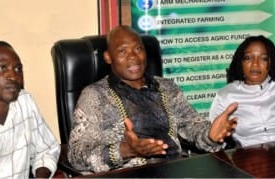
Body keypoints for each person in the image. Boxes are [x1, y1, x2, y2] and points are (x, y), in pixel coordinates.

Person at [68, 25, 238, 174]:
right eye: (122, 51)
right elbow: (77, 154)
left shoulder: (166, 87)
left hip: (176, 170)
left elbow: (190, 124)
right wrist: (125, 150)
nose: (133, 56)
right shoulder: (95, 95)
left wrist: (210, 135)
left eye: (138, 49)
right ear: (107, 57)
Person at [0, 41, 60, 178]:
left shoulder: (24, 101)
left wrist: (41, 176)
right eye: (2, 68)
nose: (13, 76)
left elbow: (47, 149)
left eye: (18, 69)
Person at [209, 35, 275, 147]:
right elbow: (214, 138)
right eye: (248, 58)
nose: (255, 64)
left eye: (263, 58)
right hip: (246, 157)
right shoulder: (225, 95)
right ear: (240, 62)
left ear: (271, 62)